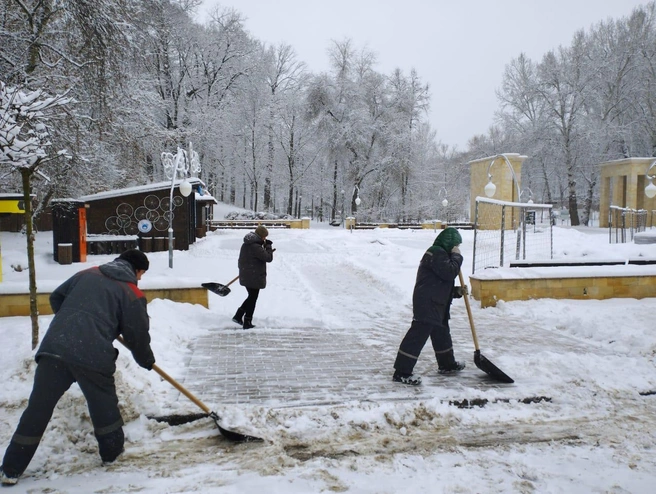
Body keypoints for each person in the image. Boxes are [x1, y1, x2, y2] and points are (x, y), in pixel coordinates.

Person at [0, 249, 155, 486]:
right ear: (136, 270)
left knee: (37, 411)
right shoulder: (131, 293)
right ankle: (112, 455)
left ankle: (10, 469)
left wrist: (73, 324)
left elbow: (56, 298)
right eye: (142, 273)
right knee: (104, 407)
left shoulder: (87, 274)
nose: (141, 279)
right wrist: (146, 360)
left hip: (54, 349)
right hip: (92, 356)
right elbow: (137, 334)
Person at [392, 227, 467, 386]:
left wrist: (457, 291)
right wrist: (457, 256)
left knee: (441, 333)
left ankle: (447, 364)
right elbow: (449, 272)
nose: (457, 247)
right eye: (455, 244)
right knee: (417, 335)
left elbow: (440, 283)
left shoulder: (442, 255)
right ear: (449, 242)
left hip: (436, 302)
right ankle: (402, 372)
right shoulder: (435, 252)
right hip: (427, 303)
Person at [232, 225, 275, 329]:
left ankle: (238, 316)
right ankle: (247, 321)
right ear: (260, 235)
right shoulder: (255, 247)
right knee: (252, 298)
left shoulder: (247, 244)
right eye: (264, 237)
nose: (265, 239)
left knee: (251, 297)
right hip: (253, 276)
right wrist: (268, 247)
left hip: (247, 274)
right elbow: (268, 258)